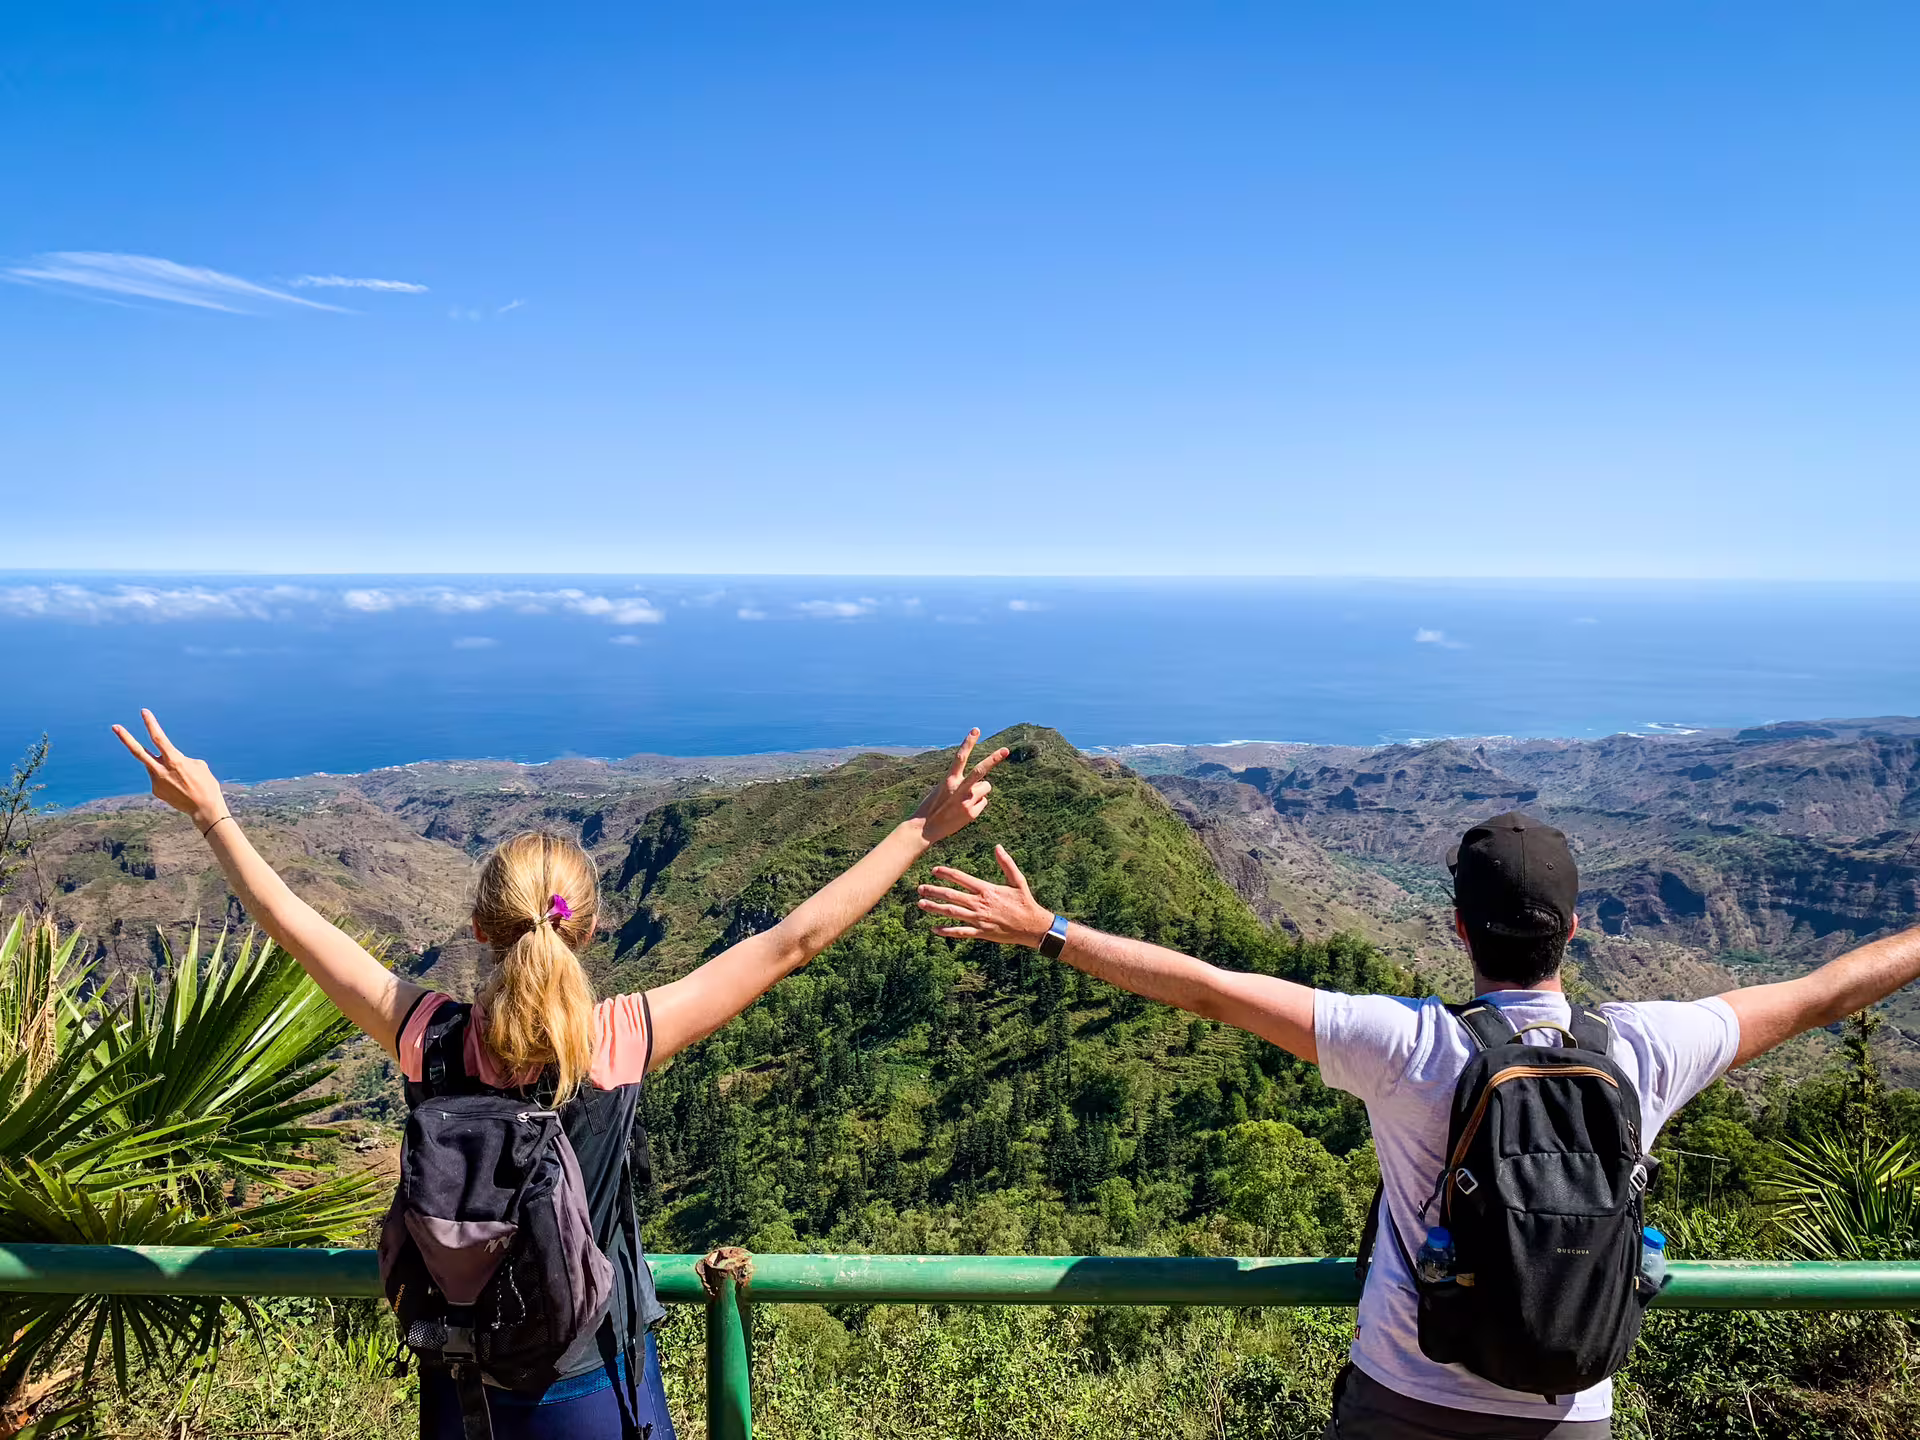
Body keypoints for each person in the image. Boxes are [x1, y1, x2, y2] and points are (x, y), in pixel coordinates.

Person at [114, 710, 1008, 1440]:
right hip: (588, 1383)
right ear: (586, 930)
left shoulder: (424, 1033)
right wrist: (919, 829)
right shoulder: (619, 1038)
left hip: (457, 1380)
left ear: (478, 930)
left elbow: (297, 927)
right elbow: (791, 943)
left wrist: (211, 813)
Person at [917, 811, 1920, 1440]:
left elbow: (1213, 993)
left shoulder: (1407, 1046)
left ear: (1456, 928)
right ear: (1575, 928)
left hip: (1408, 1392)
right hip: (1570, 1407)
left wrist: (1047, 930)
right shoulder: (1651, 1048)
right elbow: (1825, 994)